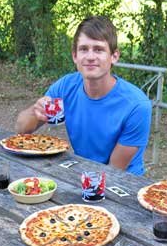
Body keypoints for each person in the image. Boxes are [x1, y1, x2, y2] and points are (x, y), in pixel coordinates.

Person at [16, 16, 152, 175]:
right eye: (83, 49)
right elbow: (21, 129)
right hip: (83, 171)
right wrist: (35, 111)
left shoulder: (136, 105)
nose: (90, 57)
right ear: (75, 56)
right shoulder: (65, 86)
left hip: (123, 185)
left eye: (99, 49)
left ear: (114, 56)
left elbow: (114, 171)